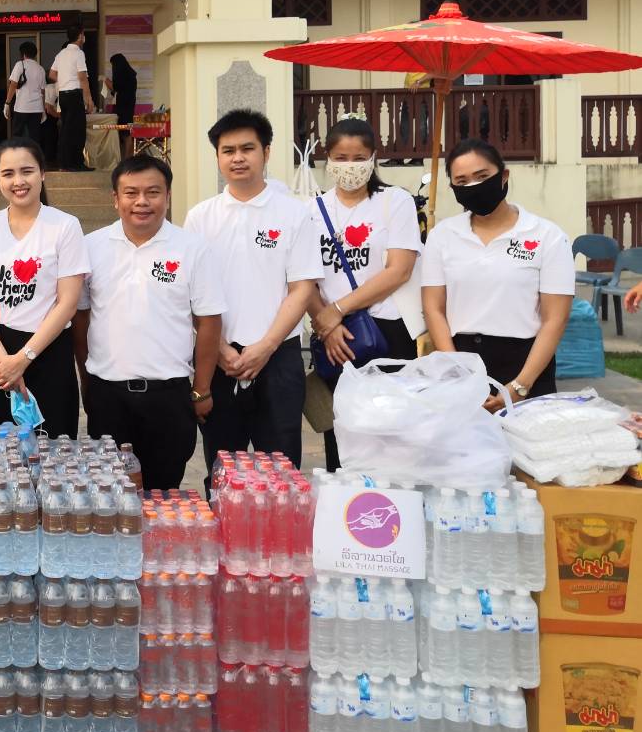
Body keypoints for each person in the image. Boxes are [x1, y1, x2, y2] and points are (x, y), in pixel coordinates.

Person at [184, 109, 322, 474]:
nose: (238, 158)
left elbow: (302, 288)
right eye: (228, 151)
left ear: (266, 152)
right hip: (219, 360)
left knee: (280, 471)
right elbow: (191, 294)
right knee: (222, 470)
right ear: (217, 157)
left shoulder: (294, 214)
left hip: (278, 356)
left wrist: (266, 346)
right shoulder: (200, 217)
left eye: (247, 148)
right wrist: (220, 349)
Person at [73, 154, 223, 490]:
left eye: (153, 192)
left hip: (168, 396)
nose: (142, 201)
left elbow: (209, 322)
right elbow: (81, 319)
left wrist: (202, 389)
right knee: (111, 495)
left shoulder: (192, 248)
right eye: (131, 193)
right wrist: (87, 381)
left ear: (167, 196)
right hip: (108, 395)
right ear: (115, 199)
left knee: (163, 494)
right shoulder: (91, 247)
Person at [305, 117, 422, 471]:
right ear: (327, 158)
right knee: (342, 433)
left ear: (373, 158)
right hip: (335, 336)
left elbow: (399, 270)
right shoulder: (311, 210)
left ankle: (391, 496)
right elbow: (303, 279)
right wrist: (325, 322)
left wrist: (338, 308)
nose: (350, 166)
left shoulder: (394, 202)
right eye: (341, 158)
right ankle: (344, 498)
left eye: (359, 157)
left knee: (391, 432)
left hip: (388, 331)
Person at [422, 138, 573, 408]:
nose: (473, 186)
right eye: (462, 181)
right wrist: (458, 374)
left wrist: (519, 386)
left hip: (526, 367)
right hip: (460, 365)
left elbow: (556, 319)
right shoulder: (442, 236)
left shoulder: (547, 236)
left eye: (482, 176)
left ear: (504, 176)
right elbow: (433, 308)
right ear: (453, 188)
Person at [0, 138, 89, 438]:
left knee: (53, 447)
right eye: (8, 173)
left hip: (48, 349)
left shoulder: (65, 226)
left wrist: (22, 359)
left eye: (27, 171)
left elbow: (68, 303)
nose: (18, 181)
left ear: (42, 173)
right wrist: (4, 363)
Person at [49, 21, 94, 171]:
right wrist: (89, 99)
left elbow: (52, 74)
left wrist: (64, 79)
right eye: (83, 34)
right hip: (74, 95)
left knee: (66, 130)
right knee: (78, 131)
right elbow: (82, 78)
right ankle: (76, 163)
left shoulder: (61, 54)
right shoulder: (79, 53)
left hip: (63, 95)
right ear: (80, 36)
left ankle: (64, 163)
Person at [5, 42, 47, 144]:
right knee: (35, 138)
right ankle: (34, 154)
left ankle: (17, 154)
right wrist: (43, 110)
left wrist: (7, 103)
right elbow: (42, 91)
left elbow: (13, 85)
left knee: (17, 136)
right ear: (35, 54)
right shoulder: (41, 69)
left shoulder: (20, 64)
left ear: (23, 54)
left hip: (22, 107)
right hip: (37, 108)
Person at [108, 54, 138, 158]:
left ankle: (126, 159)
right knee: (125, 135)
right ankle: (126, 159)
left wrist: (106, 81)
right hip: (128, 107)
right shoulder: (130, 74)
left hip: (124, 108)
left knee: (126, 135)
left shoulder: (122, 75)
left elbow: (116, 88)